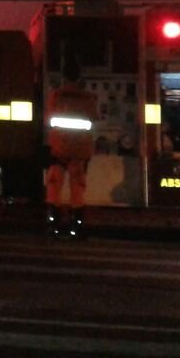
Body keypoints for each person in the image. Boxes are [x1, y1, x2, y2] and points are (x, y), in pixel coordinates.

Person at [45, 59, 99, 239]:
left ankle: (52, 225)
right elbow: (94, 118)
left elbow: (49, 118)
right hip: (80, 150)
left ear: (63, 76)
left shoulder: (56, 96)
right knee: (77, 188)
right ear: (80, 76)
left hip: (59, 148)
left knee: (54, 186)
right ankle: (76, 228)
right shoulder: (88, 98)